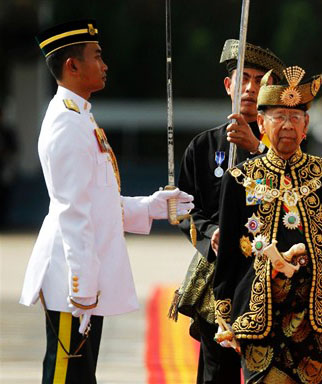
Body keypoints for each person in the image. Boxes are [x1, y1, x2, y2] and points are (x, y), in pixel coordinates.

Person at [20, 19, 194, 383]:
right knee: (66, 376)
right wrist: (82, 290)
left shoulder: (81, 117)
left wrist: (151, 207)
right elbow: (73, 213)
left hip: (82, 277)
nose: (105, 65)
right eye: (96, 57)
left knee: (80, 377)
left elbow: (98, 203)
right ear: (72, 66)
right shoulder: (67, 124)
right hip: (72, 280)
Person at [213, 65, 322, 383]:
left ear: (307, 125)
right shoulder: (239, 179)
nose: (288, 125)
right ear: (262, 122)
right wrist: (224, 315)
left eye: (296, 118)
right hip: (257, 317)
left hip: (315, 317)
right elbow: (226, 259)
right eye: (279, 116)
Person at [175, 39, 285, 383]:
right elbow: (183, 210)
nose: (251, 88)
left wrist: (257, 148)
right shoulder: (203, 146)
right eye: (244, 79)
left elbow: (292, 199)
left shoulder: (285, 149)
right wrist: (211, 234)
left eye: (259, 81)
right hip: (216, 278)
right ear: (229, 85)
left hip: (269, 279)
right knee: (215, 373)